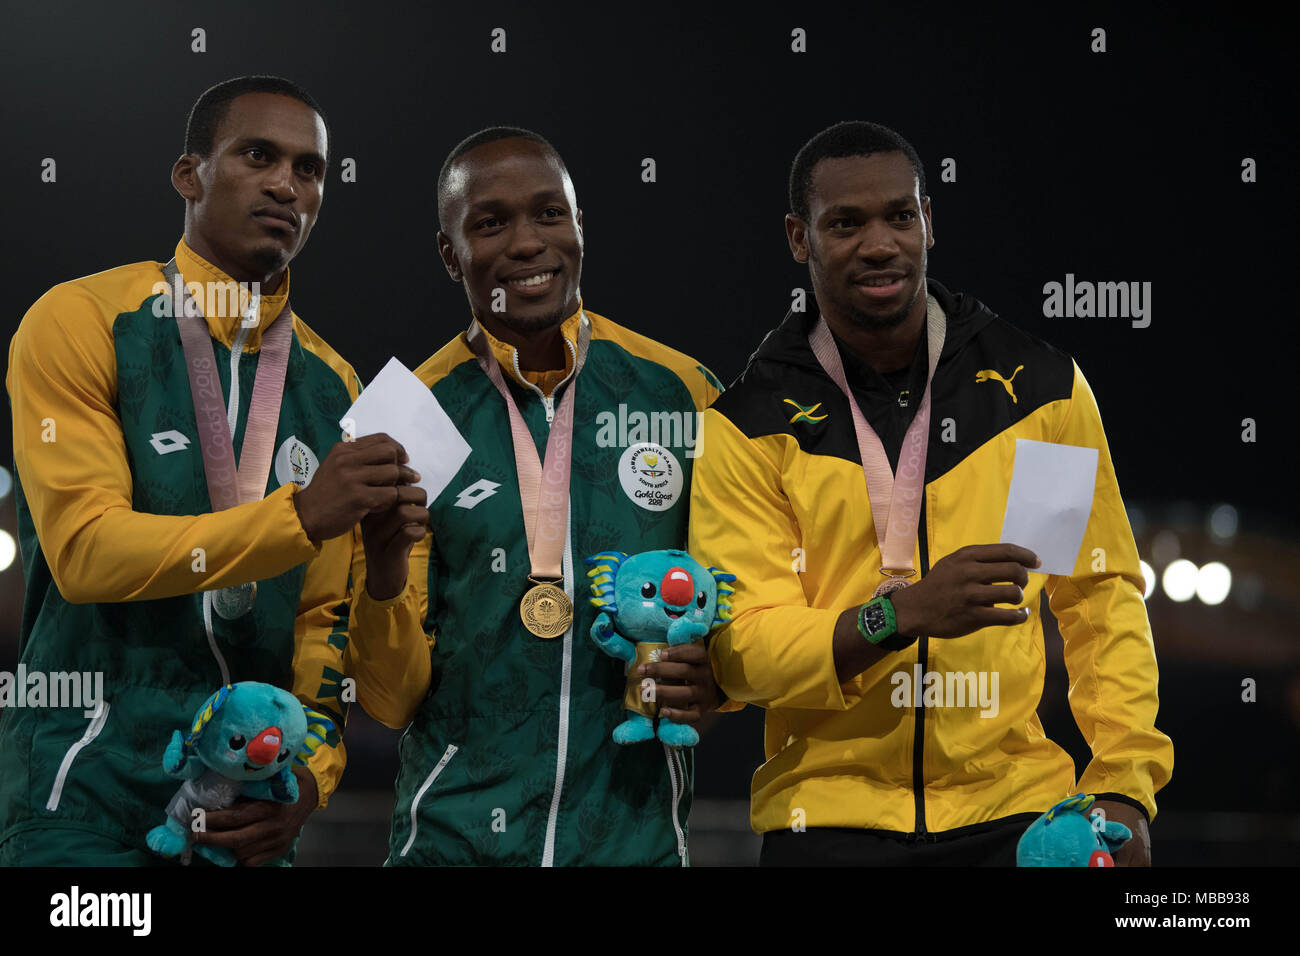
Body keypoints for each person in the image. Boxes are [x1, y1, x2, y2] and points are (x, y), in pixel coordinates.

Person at [688, 120, 1174, 866]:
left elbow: (1098, 599)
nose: (880, 244)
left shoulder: (1036, 391)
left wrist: (1125, 785)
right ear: (798, 238)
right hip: (828, 821)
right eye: (845, 223)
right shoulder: (751, 423)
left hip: (1015, 812)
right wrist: (901, 614)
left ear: (928, 223)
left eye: (900, 216)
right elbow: (741, 649)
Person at [0, 75, 425, 866]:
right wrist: (297, 518)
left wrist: (308, 780)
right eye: (258, 155)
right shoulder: (84, 319)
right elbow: (86, 552)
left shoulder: (336, 386)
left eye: (309, 169)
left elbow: (320, 624)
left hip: (247, 815)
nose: (285, 185)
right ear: (189, 175)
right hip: (80, 791)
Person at [345, 127, 730, 866]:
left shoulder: (682, 393)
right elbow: (390, 703)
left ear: (580, 227)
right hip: (451, 846)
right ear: (450, 253)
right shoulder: (406, 417)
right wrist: (386, 573)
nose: (528, 243)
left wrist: (721, 683)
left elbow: (738, 613)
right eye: (491, 223)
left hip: (636, 843)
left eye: (550, 214)